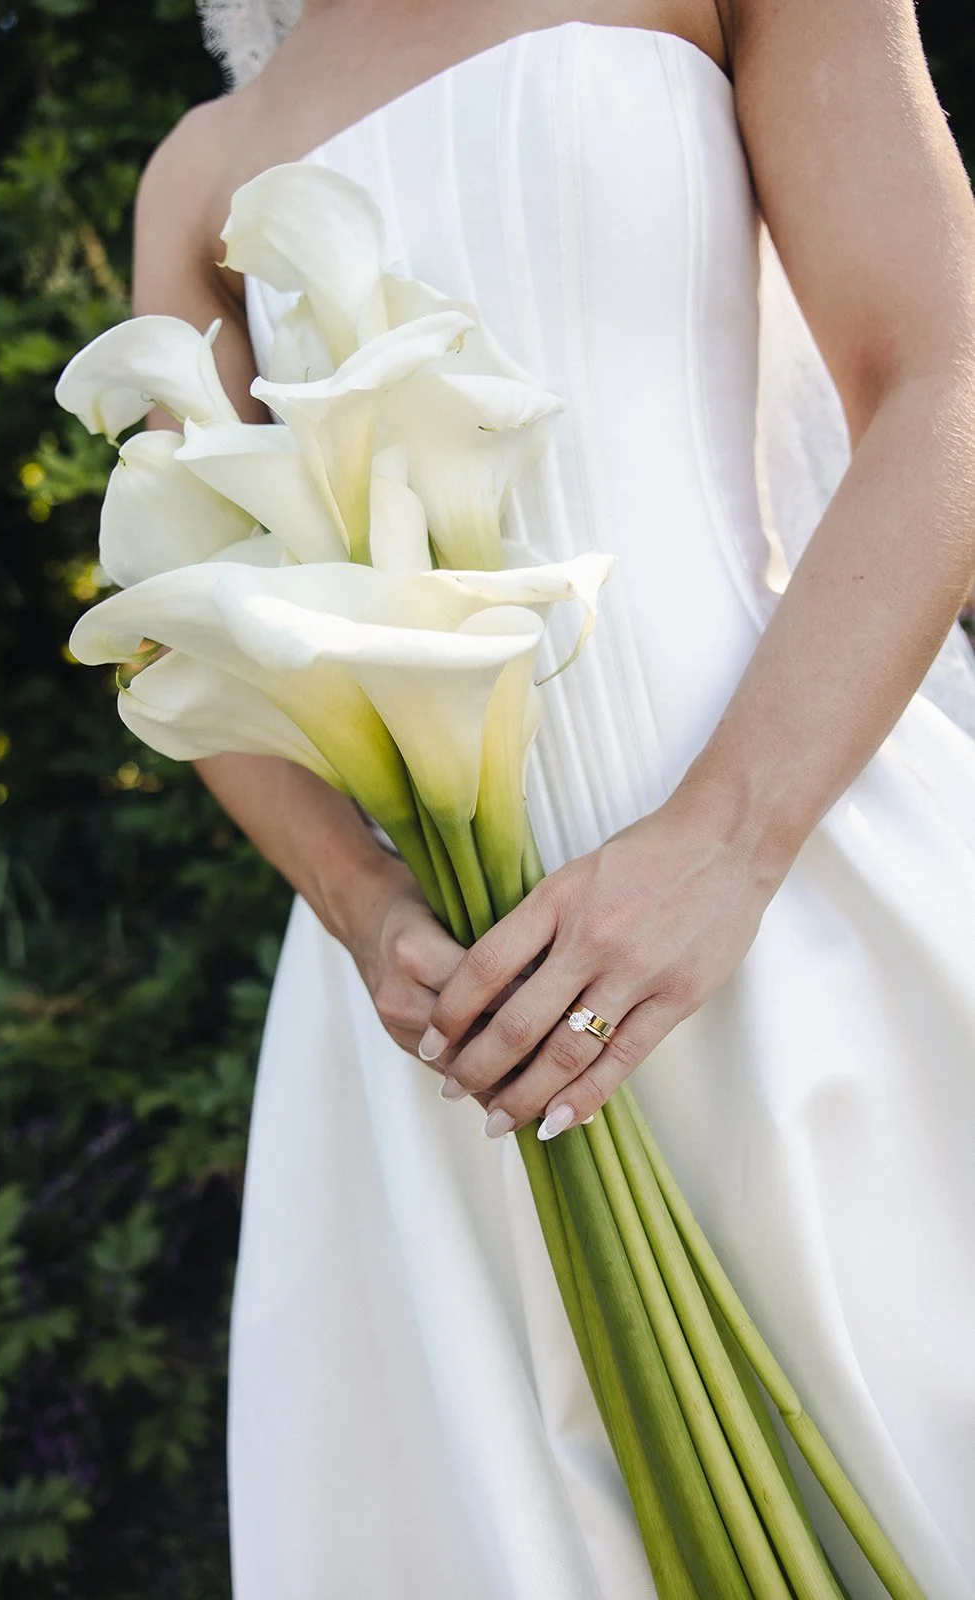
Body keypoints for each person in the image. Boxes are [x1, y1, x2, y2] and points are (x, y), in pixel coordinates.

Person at [133, 3, 975, 1595]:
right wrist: (368, 909)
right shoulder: (201, 172)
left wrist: (725, 844)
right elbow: (198, 617)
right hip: (451, 1034)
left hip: (803, 870)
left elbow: (941, 376)